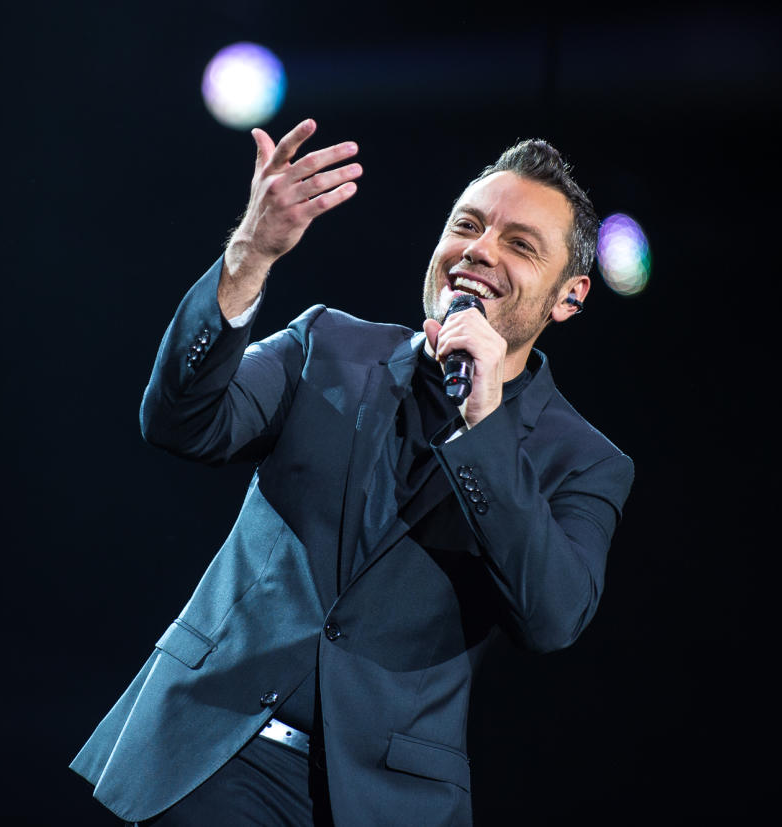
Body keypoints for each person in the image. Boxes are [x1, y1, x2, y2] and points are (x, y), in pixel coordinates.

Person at [71, 118, 634, 826]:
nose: (478, 250)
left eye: (519, 244)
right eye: (466, 225)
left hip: (383, 800)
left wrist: (484, 424)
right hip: (213, 753)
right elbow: (182, 422)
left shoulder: (582, 460)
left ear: (570, 296)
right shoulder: (326, 344)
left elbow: (551, 615)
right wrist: (248, 256)